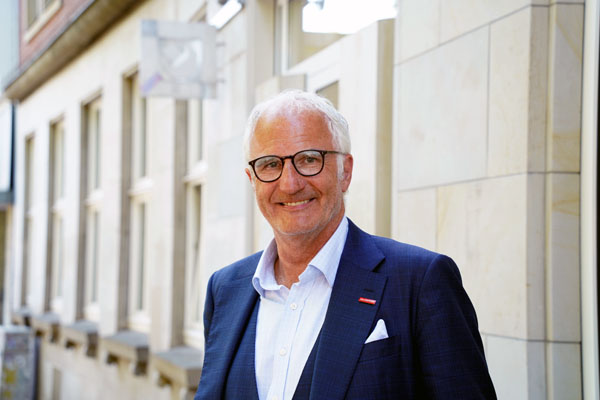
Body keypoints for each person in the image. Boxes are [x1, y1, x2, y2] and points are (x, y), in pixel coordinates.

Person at [194, 90, 496, 399]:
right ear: (252, 179)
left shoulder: (420, 282)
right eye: (271, 164)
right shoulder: (225, 290)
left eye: (309, 159)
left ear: (345, 172)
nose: (290, 183)